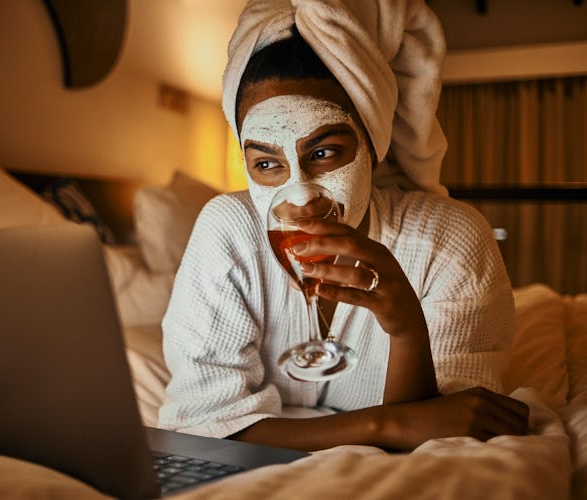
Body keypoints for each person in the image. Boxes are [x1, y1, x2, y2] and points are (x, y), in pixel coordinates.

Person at [158, 0, 529, 451]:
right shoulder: (228, 231)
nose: (301, 198)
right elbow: (201, 425)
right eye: (266, 163)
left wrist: (408, 331)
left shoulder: (449, 238)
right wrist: (383, 427)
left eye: (323, 153)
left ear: (372, 143)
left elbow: (451, 427)